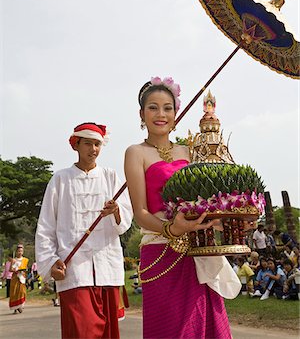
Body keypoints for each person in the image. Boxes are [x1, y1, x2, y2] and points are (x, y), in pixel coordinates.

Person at [124, 76, 241, 339]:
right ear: (141, 114)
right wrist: (171, 228)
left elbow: (206, 202)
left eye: (167, 107)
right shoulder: (135, 153)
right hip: (158, 251)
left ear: (176, 114)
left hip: (197, 249)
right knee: (171, 330)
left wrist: (228, 216)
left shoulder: (189, 152)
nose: (160, 114)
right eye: (152, 107)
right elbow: (140, 213)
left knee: (205, 326)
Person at [35, 122, 133, 339]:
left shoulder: (111, 177)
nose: (93, 149)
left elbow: (125, 220)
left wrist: (116, 211)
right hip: (74, 272)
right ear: (76, 145)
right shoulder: (60, 179)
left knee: (108, 333)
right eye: (87, 143)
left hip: (107, 269)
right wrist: (51, 262)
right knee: (81, 332)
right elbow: (46, 227)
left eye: (97, 144)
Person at [9, 244, 28, 314]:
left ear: (23, 252)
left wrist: (23, 271)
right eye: (18, 251)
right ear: (16, 252)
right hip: (15, 278)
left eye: (21, 251)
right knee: (14, 293)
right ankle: (15, 307)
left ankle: (20, 305)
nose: (20, 252)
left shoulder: (25, 260)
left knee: (22, 292)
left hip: (22, 278)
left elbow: (26, 269)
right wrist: (15, 270)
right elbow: (10, 269)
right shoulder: (14, 260)